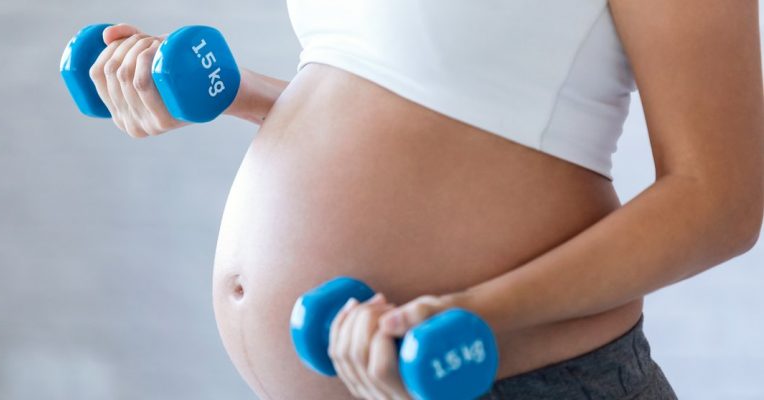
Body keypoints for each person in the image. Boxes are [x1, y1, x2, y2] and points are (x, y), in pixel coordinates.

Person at [87, 1, 762, 398]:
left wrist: (475, 312)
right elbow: (394, 94)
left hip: (507, 373)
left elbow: (720, 201)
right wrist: (220, 89)